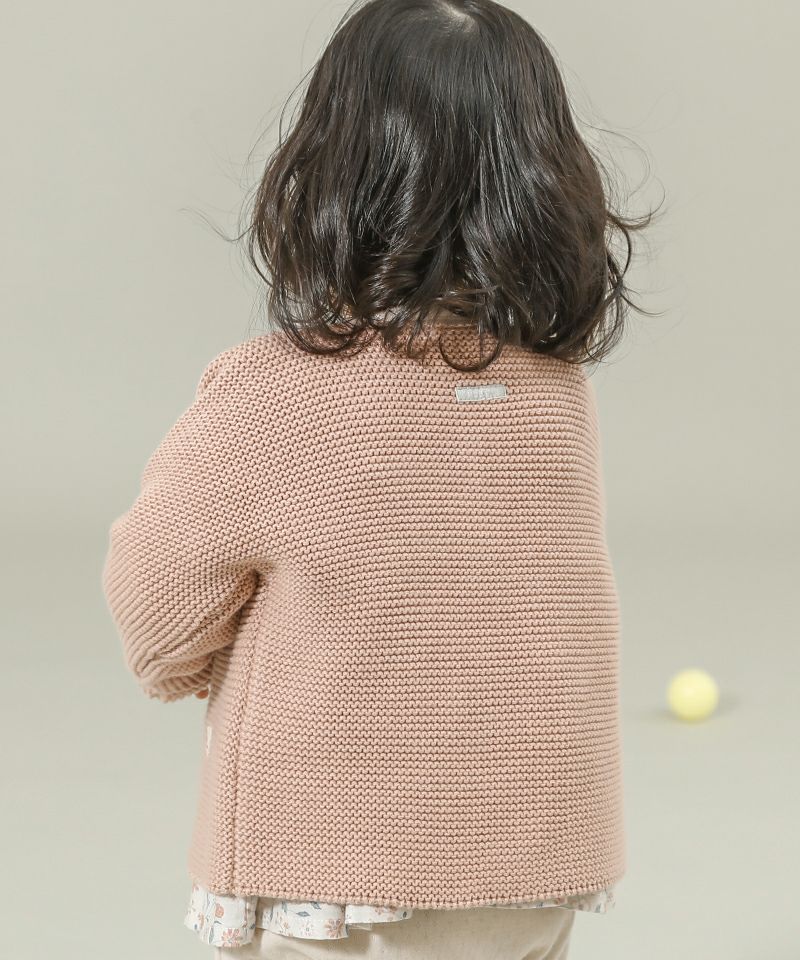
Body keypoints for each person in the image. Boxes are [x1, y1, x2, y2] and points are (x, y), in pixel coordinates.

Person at [102, 0, 657, 956]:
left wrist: (208, 669)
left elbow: (156, 615)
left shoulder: (275, 393)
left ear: (333, 169)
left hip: (342, 875)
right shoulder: (556, 397)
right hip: (540, 866)